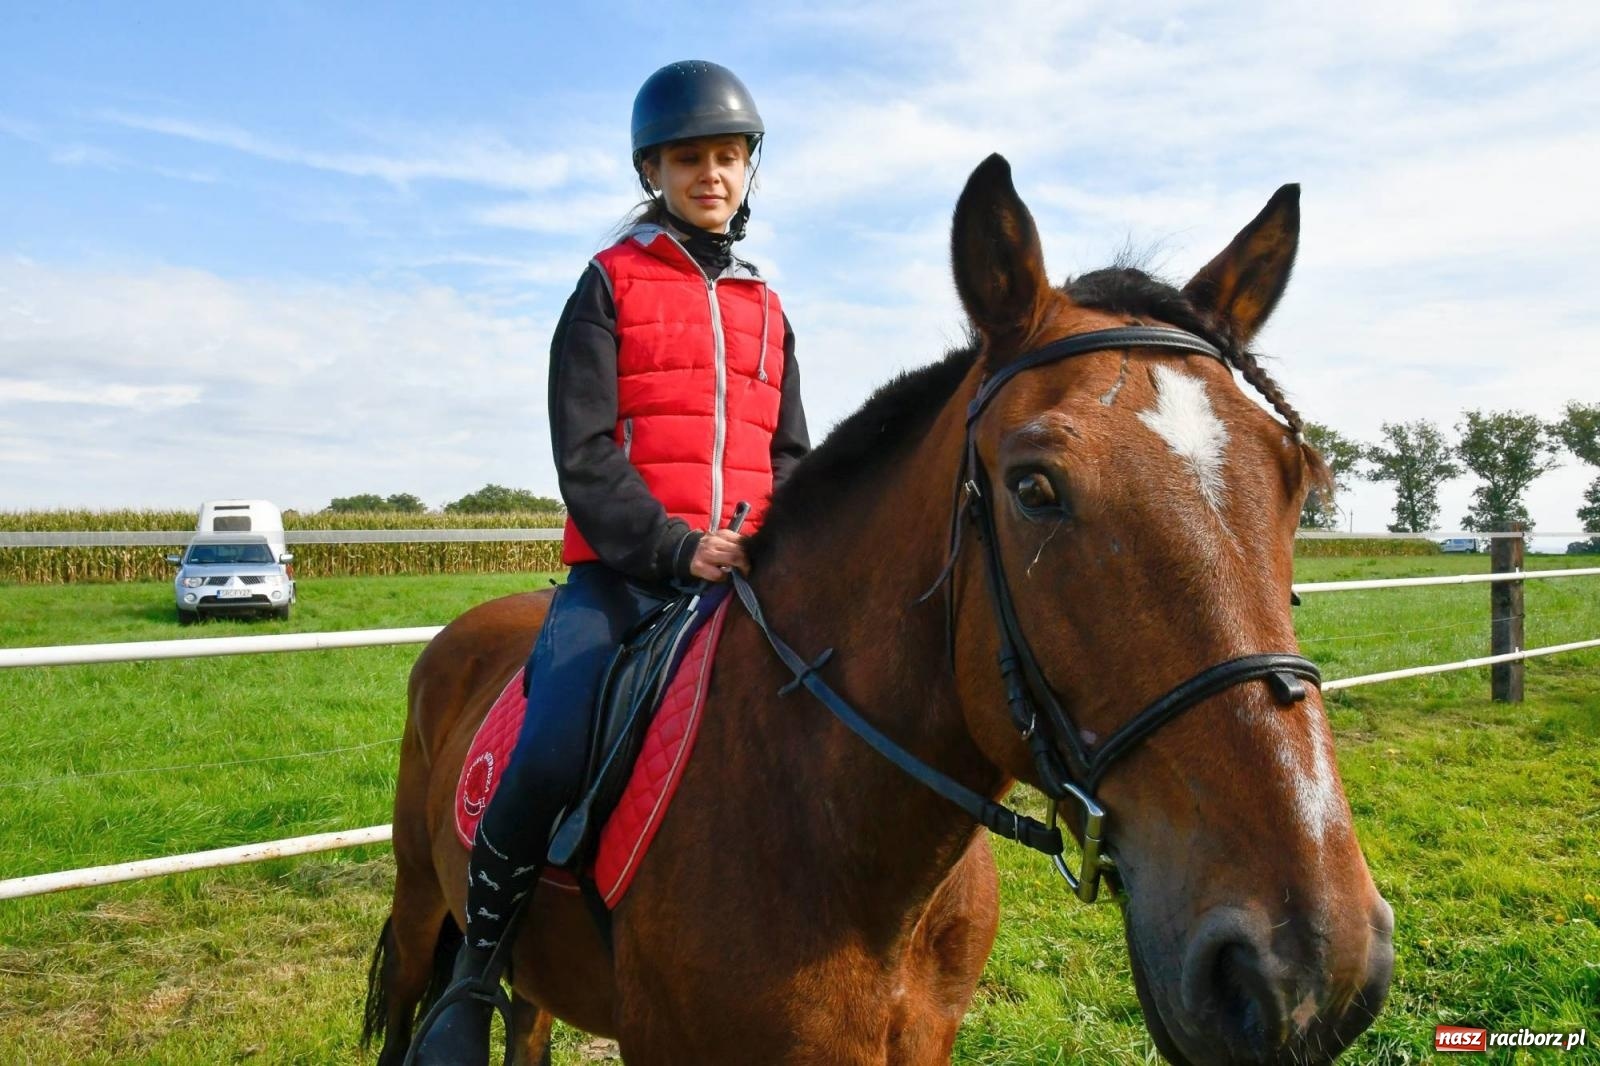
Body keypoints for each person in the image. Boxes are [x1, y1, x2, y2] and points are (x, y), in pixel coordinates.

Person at [410, 59, 809, 1065]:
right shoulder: (607, 284)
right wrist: (678, 546)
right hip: (624, 574)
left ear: (748, 169)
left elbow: (792, 454)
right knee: (550, 740)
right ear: (654, 168)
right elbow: (583, 452)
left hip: (747, 578)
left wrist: (778, 537)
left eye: (727, 157)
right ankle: (473, 971)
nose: (711, 175)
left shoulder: (768, 304)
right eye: (689, 159)